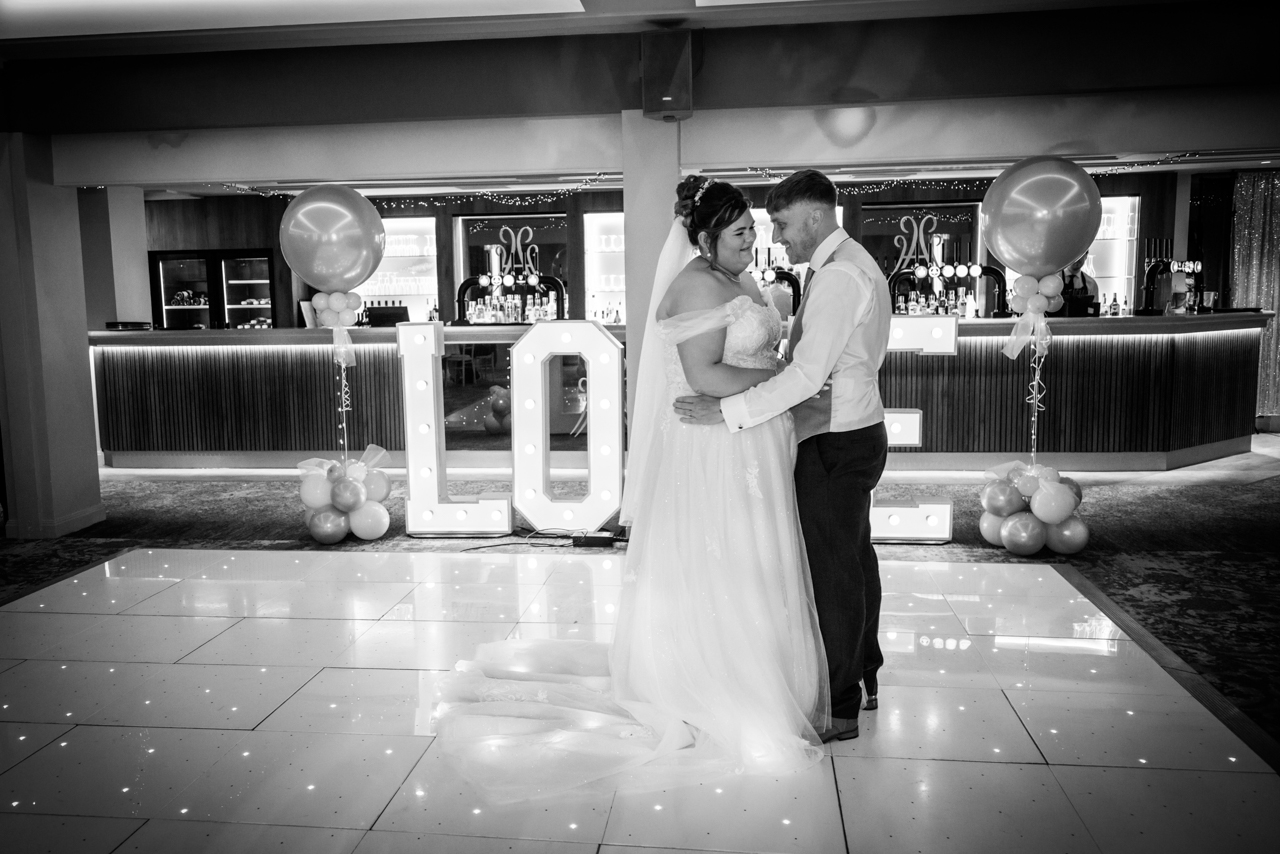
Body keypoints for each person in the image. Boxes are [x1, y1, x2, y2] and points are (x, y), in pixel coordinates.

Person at [429, 175, 830, 802]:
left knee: (756, 556)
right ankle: (711, 679)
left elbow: (745, 359)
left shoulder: (739, 279)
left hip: (752, 437)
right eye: (739, 234)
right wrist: (783, 375)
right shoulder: (695, 285)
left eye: (753, 232)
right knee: (720, 556)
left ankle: (765, 671)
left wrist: (775, 378)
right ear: (705, 238)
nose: (751, 244)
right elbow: (705, 375)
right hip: (714, 447)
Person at [675, 169, 892, 742]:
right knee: (855, 559)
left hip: (833, 436)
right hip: (855, 429)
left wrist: (730, 412)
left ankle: (840, 706)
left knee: (833, 572)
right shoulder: (850, 262)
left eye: (782, 223)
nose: (776, 237)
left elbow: (805, 376)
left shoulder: (839, 276)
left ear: (815, 216)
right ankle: (865, 672)